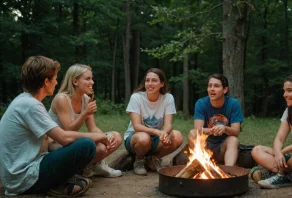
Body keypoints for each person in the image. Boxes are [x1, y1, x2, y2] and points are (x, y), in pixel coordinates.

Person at [0, 56, 111, 196]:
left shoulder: (24, 100)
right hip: (23, 178)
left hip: (19, 174)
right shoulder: (31, 106)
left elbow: (50, 138)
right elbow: (64, 137)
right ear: (46, 81)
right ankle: (61, 184)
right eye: (55, 78)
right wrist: (99, 136)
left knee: (80, 144)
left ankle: (65, 181)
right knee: (86, 145)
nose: (57, 82)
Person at [49, 64, 123, 178]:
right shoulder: (61, 99)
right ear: (75, 81)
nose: (92, 82)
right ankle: (80, 170)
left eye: (92, 78)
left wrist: (106, 138)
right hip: (57, 144)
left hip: (72, 141)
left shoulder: (86, 99)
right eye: (88, 79)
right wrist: (85, 113)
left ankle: (90, 167)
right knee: (100, 149)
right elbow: (68, 130)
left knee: (116, 137)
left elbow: (93, 128)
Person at [124, 68, 184, 175]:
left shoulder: (168, 98)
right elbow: (137, 126)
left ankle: (154, 159)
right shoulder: (136, 97)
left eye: (154, 80)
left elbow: (168, 124)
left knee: (177, 136)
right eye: (147, 80)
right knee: (144, 138)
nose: (150, 84)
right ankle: (139, 161)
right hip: (135, 138)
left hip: (155, 139)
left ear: (162, 84)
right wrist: (158, 132)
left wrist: (164, 134)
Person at [188, 73, 244, 166]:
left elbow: (236, 131)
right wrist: (213, 130)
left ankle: (228, 170)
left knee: (233, 140)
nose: (212, 89)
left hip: (223, 146)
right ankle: (201, 166)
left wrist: (225, 128)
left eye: (216, 86)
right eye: (210, 86)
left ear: (225, 89)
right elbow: (198, 130)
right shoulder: (201, 103)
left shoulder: (233, 104)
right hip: (205, 145)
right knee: (192, 133)